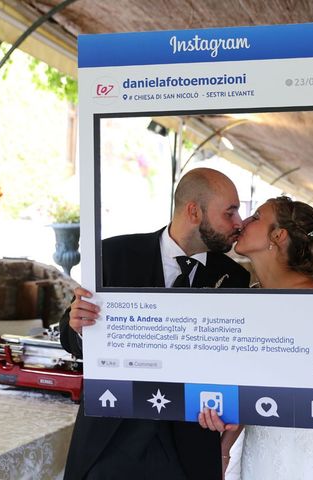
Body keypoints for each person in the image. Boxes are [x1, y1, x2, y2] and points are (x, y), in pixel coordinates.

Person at [59, 167, 251, 480]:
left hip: (190, 448)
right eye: (229, 212)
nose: (239, 223)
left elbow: (234, 362)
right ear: (193, 211)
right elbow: (70, 338)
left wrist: (225, 417)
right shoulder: (113, 254)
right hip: (111, 439)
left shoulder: (235, 277)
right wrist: (77, 325)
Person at [198, 196, 313, 480]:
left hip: (306, 456)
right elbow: (248, 384)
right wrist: (223, 451)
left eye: (257, 216)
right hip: (258, 451)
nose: (244, 221)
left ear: (278, 235)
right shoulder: (250, 296)